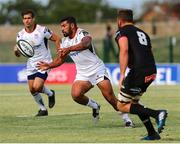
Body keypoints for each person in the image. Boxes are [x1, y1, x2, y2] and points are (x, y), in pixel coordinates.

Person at [37, 16, 134, 127]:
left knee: (109, 97)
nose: (62, 29)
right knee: (76, 95)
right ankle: (95, 106)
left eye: (64, 26)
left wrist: (69, 49)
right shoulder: (64, 42)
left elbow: (86, 44)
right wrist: (49, 65)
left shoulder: (82, 33)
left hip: (97, 69)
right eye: (61, 27)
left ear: (72, 25)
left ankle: (127, 119)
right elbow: (60, 60)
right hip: (83, 74)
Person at [115, 9, 168, 140]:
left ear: (119, 21)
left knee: (121, 105)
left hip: (138, 71)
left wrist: (122, 75)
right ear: (132, 20)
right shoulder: (142, 33)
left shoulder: (122, 31)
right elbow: (149, 52)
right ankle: (152, 133)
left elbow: (124, 50)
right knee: (134, 103)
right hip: (151, 70)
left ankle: (157, 114)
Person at [14, 9, 61, 116]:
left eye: (29, 18)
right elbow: (19, 54)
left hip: (44, 63)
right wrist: (16, 51)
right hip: (31, 64)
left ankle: (50, 93)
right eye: (25, 18)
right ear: (22, 20)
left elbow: (57, 39)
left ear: (33, 19)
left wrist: (59, 52)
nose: (27, 21)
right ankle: (43, 109)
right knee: (32, 89)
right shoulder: (20, 35)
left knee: (37, 87)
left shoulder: (42, 30)